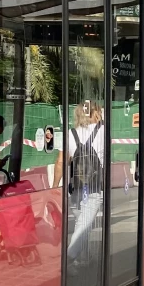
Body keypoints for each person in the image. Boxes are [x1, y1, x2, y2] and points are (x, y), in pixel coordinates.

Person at [53, 101, 105, 263]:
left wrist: (55, 186)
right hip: (94, 188)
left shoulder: (70, 134)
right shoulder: (103, 131)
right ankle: (67, 260)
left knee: (81, 223)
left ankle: (80, 260)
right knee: (83, 227)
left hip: (75, 190)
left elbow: (61, 162)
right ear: (96, 113)